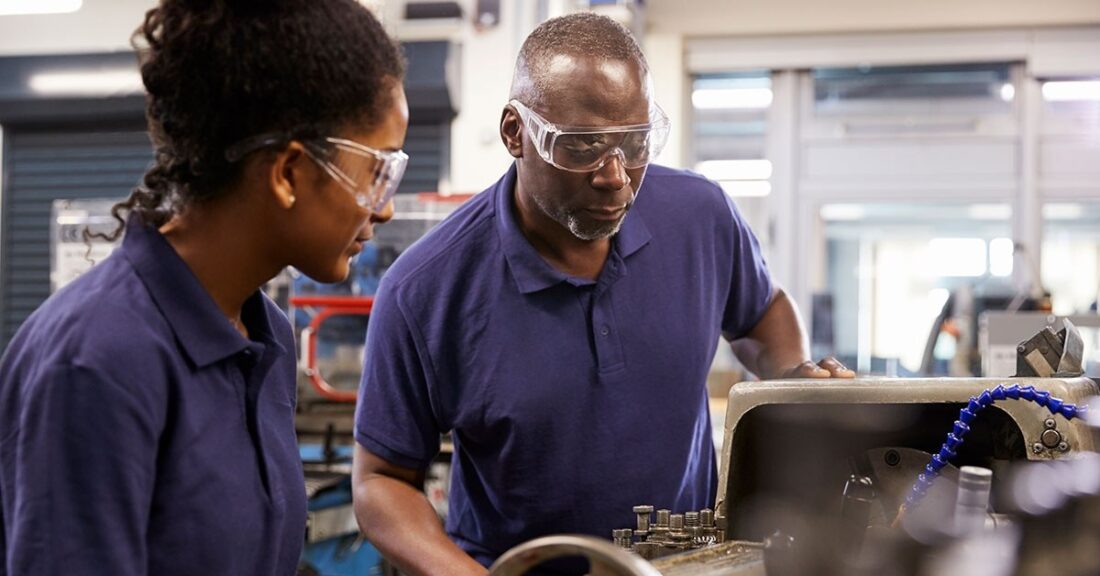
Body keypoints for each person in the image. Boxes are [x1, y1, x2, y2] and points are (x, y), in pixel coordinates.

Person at [352, 12, 853, 576]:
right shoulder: (424, 291)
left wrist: (790, 380)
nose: (616, 175)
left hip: (686, 567)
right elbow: (381, 481)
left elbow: (763, 312)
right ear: (516, 133)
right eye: (583, 145)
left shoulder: (700, 218)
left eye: (636, 142)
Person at [0, 0, 407, 574]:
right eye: (378, 171)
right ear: (289, 173)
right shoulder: (96, 361)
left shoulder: (263, 337)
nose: (386, 208)